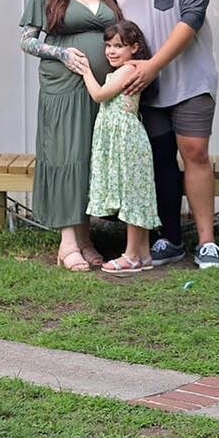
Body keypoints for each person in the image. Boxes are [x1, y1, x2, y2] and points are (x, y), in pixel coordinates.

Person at [106, 0, 219, 269]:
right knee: (158, 160)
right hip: (144, 88)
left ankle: (207, 243)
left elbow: (192, 18)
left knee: (195, 154)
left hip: (189, 81)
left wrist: (154, 63)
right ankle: (170, 239)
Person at [19, 0, 121, 272]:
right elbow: (27, 41)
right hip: (62, 86)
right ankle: (67, 243)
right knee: (66, 155)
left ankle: (85, 238)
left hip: (100, 87)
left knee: (89, 158)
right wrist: (61, 54)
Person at [76, 20, 159, 275]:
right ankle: (142, 254)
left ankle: (132, 255)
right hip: (119, 138)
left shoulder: (127, 70)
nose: (111, 51)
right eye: (108, 45)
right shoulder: (124, 69)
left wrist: (85, 71)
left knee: (133, 195)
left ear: (134, 48)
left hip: (127, 139)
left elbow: (100, 95)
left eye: (119, 46)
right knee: (131, 192)